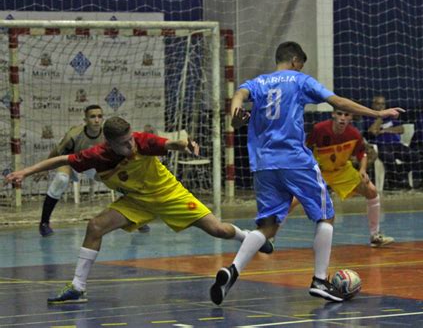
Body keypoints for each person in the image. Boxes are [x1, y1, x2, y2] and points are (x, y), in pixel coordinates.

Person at [209, 41, 403, 305]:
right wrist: (377, 112)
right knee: (326, 216)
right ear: (296, 61)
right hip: (295, 159)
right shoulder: (300, 80)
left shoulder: (258, 82)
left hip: (264, 164)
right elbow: (337, 101)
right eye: (302, 63)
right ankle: (320, 280)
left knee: (267, 226)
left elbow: (239, 96)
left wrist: (234, 116)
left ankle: (232, 270)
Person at [5, 116, 273, 304]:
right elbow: (63, 158)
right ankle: (77, 286)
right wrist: (24, 172)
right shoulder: (97, 155)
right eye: (124, 143)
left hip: (169, 195)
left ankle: (249, 237)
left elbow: (170, 144)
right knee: (95, 226)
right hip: (136, 201)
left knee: (219, 230)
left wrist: (185, 144)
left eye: (131, 139)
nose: (130, 145)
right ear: (110, 144)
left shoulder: (142, 142)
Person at [292, 110, 394, 247]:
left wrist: (362, 170)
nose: (342, 118)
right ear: (333, 114)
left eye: (346, 115)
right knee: (292, 199)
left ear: (351, 117)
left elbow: (362, 153)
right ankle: (268, 235)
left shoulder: (354, 134)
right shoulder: (319, 129)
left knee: (371, 191)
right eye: (340, 114)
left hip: (341, 171)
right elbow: (306, 147)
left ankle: (375, 235)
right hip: (319, 171)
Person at [36, 105, 105, 237]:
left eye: (99, 116)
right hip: (70, 160)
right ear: (85, 119)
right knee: (61, 179)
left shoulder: (107, 134)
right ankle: (44, 223)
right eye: (92, 117)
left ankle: (135, 219)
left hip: (90, 163)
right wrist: (45, 169)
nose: (96, 120)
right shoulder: (74, 135)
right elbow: (57, 152)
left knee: (117, 181)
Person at [364, 95, 415, 190]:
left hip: (396, 144)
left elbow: (401, 129)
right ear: (373, 105)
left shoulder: (390, 117)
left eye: (383, 104)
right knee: (389, 158)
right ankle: (398, 183)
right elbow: (373, 131)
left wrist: (384, 130)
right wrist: (380, 117)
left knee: (414, 156)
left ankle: (400, 172)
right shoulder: (369, 117)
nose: (381, 106)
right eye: (378, 104)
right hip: (381, 146)